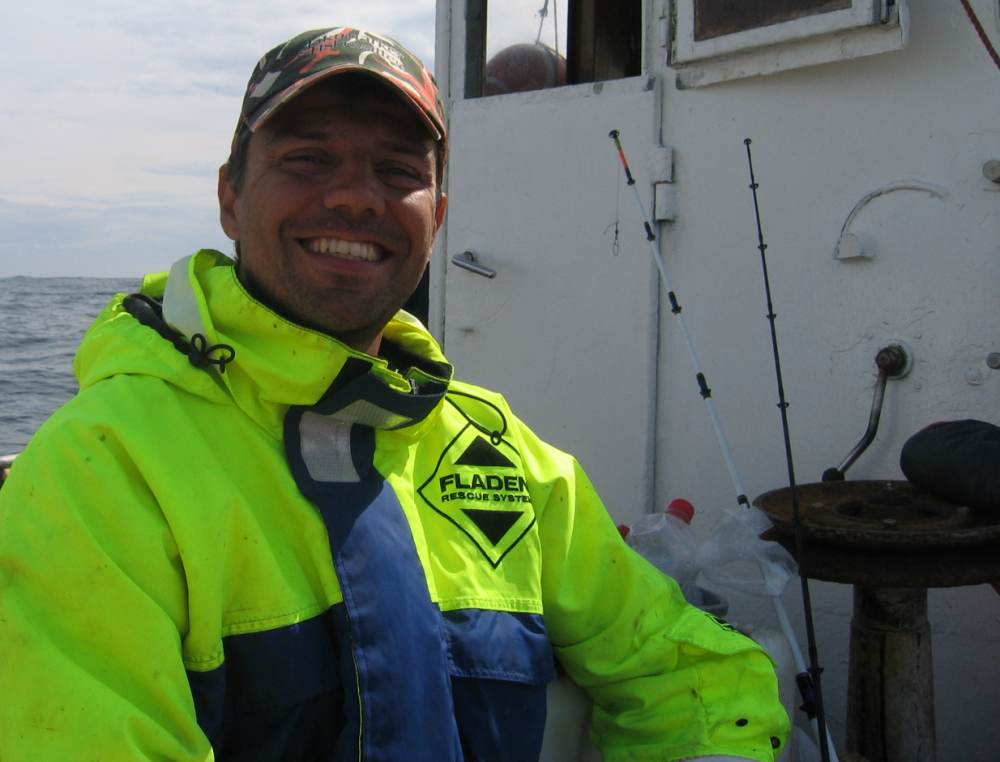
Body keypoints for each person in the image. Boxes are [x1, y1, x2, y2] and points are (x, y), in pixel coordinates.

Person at [0, 26, 789, 762]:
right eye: (308, 159)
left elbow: (691, 673)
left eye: (400, 171)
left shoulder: (505, 454)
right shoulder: (105, 464)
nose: (356, 197)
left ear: (436, 217)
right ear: (230, 199)